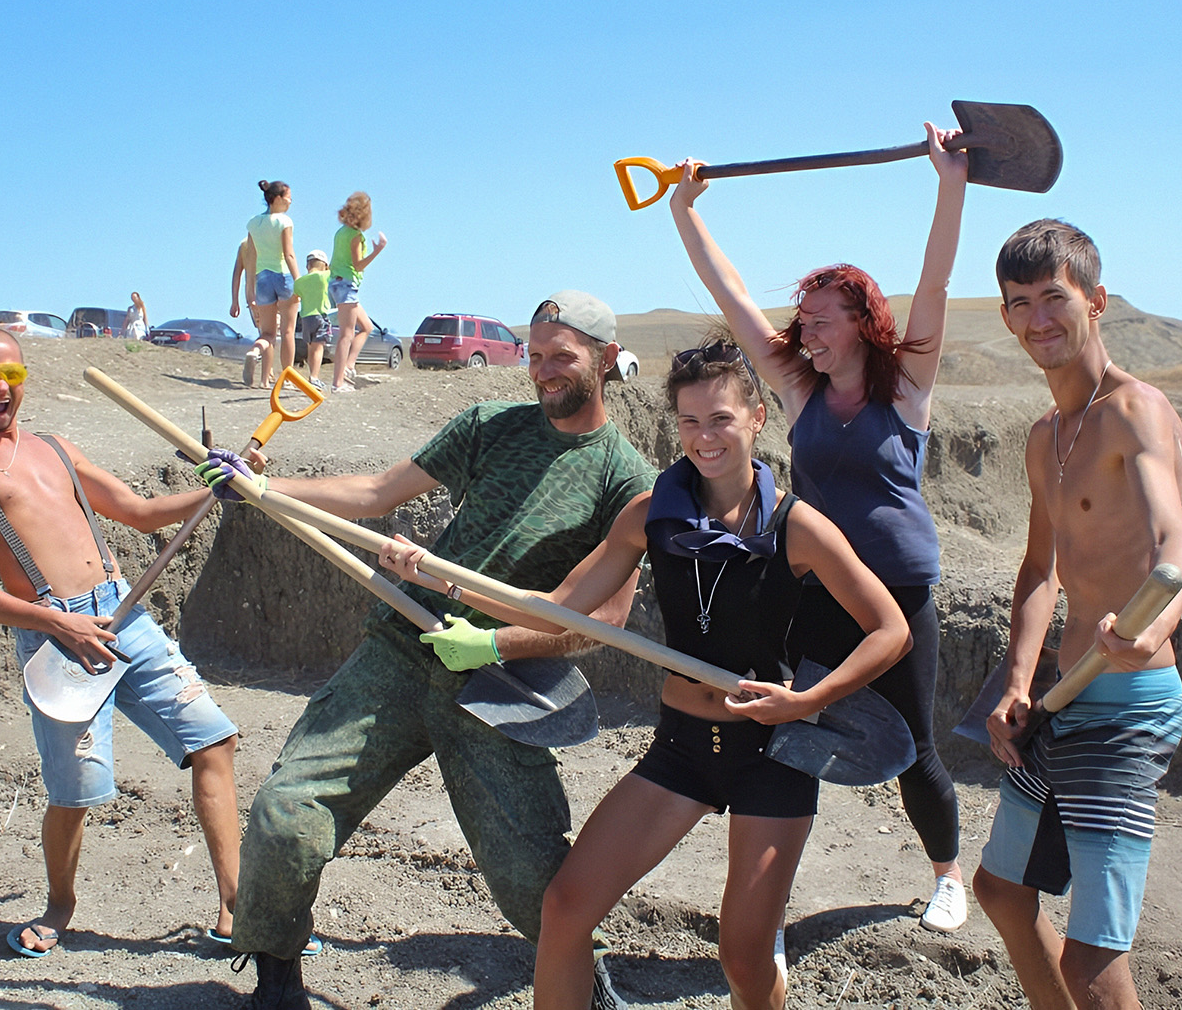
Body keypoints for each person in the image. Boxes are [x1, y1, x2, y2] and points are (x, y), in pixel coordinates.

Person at [379, 339, 911, 1010]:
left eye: (720, 418)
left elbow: (891, 630)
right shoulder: (651, 514)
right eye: (689, 421)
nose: (704, 436)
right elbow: (554, 610)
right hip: (682, 749)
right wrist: (434, 574)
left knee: (744, 959)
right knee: (566, 909)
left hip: (772, 754)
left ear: (756, 419)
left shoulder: (794, 526)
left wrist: (809, 697)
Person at [195, 291, 653, 1010]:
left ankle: (584, 984)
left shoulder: (625, 478)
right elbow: (377, 492)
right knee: (286, 815)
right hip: (407, 647)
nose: (543, 372)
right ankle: (276, 972)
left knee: (533, 876)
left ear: (603, 359)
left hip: (502, 682)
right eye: (534, 356)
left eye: (561, 356)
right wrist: (260, 488)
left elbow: (604, 620)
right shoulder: (490, 427)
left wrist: (493, 642)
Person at [668, 125, 972, 932]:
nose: (806, 330)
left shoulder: (905, 389)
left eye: (823, 318)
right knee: (788, 718)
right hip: (812, 584)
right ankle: (766, 884)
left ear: (864, 322)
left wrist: (950, 183)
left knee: (913, 742)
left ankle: (948, 874)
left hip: (897, 594)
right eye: (803, 318)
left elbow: (935, 285)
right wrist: (684, 211)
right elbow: (733, 298)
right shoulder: (800, 391)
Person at [0, 326, 241, 957]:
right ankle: (60, 905)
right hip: (54, 638)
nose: (1, 388)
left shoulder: (56, 448)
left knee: (214, 740)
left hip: (124, 615)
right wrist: (57, 622)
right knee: (77, 792)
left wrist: (216, 487)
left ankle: (236, 907)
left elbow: (141, 511)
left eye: (12, 374)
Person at [972, 220, 1182, 1010]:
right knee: (1000, 891)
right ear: (1005, 317)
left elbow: (1176, 544)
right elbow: (1039, 570)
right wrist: (1017, 683)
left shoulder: (1136, 411)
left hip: (1129, 703)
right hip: (1063, 700)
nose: (1038, 319)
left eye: (1055, 298)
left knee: (1093, 961)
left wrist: (1153, 630)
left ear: (1096, 302)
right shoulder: (1045, 436)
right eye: (1019, 302)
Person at [327, 191, 386, 393]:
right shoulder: (356, 236)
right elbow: (358, 265)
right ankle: (337, 382)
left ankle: (349, 366)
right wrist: (377, 251)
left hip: (336, 284)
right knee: (346, 334)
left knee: (367, 327)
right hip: (346, 286)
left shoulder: (340, 232)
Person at [245, 180, 302, 388]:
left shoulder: (253, 223)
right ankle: (287, 377)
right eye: (288, 197)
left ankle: (255, 353)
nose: (290, 201)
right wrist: (300, 281)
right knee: (288, 331)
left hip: (262, 278)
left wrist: (250, 287)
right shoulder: (284, 221)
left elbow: (250, 255)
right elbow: (288, 254)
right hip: (283, 276)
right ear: (277, 198)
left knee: (267, 334)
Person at [293, 250, 333, 390]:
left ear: (307, 266)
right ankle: (314, 377)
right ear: (325, 266)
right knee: (318, 347)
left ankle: (312, 374)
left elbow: (294, 298)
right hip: (320, 315)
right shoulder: (325, 276)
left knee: (311, 348)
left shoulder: (299, 282)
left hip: (305, 318)